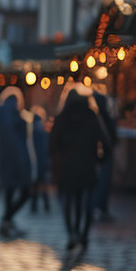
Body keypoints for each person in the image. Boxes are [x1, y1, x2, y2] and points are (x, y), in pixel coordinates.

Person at [50, 84, 112, 252]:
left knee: (69, 202)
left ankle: (72, 234)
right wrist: (99, 159)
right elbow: (105, 142)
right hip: (88, 166)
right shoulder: (91, 115)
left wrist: (56, 161)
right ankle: (83, 235)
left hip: (66, 167)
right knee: (86, 204)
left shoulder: (62, 117)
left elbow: (52, 144)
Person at [0, 86, 33, 238]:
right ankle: (6, 219)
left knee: (9, 193)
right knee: (24, 192)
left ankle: (7, 220)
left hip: (4, 159)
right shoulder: (17, 117)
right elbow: (20, 143)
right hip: (18, 160)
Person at [91, 85, 118, 222]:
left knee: (101, 182)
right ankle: (99, 208)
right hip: (102, 155)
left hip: (102, 154)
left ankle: (99, 208)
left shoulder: (98, 117)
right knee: (101, 183)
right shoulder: (102, 118)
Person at [28, 104, 52, 212]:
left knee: (34, 185)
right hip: (42, 161)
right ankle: (46, 204)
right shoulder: (43, 132)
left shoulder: (29, 132)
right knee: (43, 185)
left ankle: (34, 205)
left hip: (33, 162)